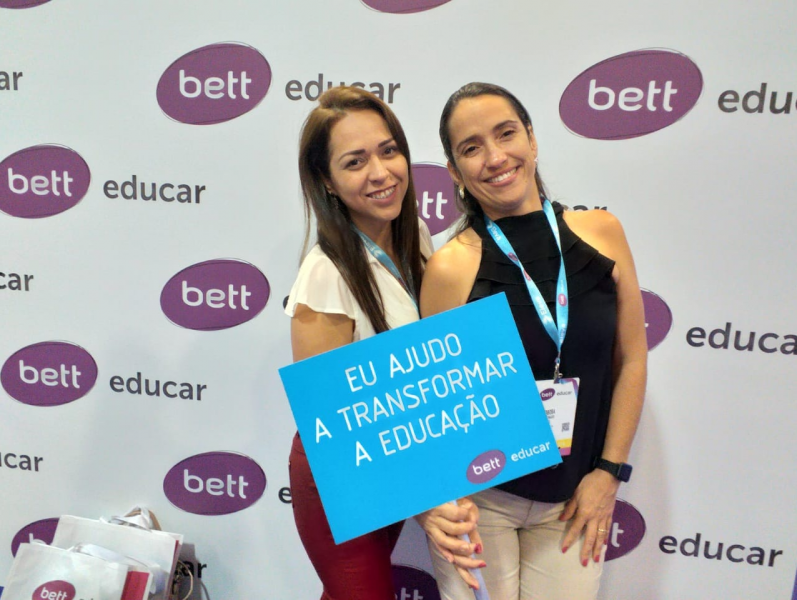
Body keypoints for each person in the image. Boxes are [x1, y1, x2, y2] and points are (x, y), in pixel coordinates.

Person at [418, 82, 648, 600]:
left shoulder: (602, 233)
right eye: (472, 147)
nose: (495, 157)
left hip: (575, 498)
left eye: (506, 134)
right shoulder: (451, 267)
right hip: (480, 500)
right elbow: (436, 401)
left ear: (532, 138)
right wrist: (447, 497)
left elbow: (632, 359)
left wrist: (609, 473)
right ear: (454, 171)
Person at [284, 86, 436, 600]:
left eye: (388, 151)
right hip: (339, 476)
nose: (381, 172)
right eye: (355, 162)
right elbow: (326, 421)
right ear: (326, 181)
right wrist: (422, 497)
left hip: (393, 457)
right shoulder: (324, 273)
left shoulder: (415, 235)